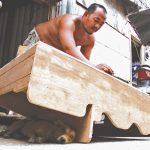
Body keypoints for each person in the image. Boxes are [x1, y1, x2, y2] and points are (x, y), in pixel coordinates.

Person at [23, 3, 114, 75]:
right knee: (23, 71)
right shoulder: (69, 21)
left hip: (52, 54)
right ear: (86, 14)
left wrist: (99, 71)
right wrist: (95, 67)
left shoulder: (90, 41)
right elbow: (69, 48)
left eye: (101, 24)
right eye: (96, 20)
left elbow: (83, 64)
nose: (97, 26)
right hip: (38, 40)